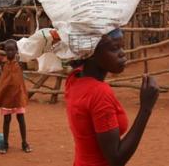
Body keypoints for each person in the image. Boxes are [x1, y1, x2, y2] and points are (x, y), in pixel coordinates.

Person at [65, 28, 159, 166]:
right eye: (114, 48)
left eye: (122, 47)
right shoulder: (99, 93)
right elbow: (116, 158)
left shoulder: (74, 78)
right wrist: (146, 108)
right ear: (91, 53)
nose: (122, 53)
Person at [0, 39, 32, 154]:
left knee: (21, 119)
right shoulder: (2, 62)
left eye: (12, 50)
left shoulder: (20, 62)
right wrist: (0, 43)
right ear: (4, 51)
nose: (10, 52)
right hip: (6, 96)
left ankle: (24, 143)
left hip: (18, 95)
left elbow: (29, 54)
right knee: (7, 120)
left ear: (16, 51)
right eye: (7, 50)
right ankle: (5, 143)